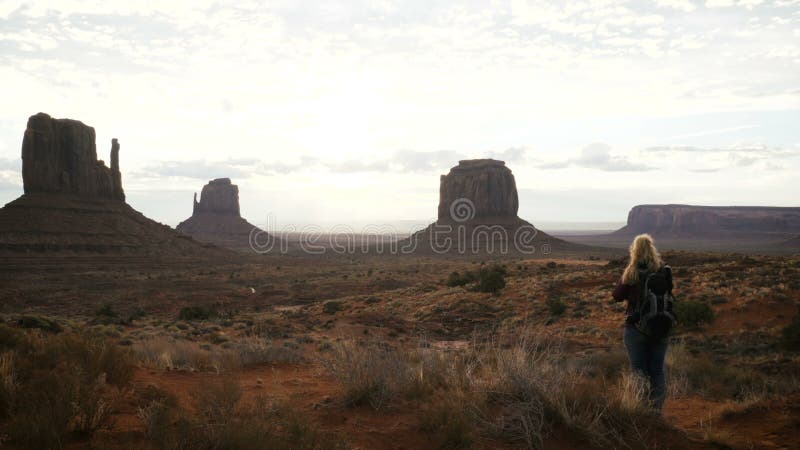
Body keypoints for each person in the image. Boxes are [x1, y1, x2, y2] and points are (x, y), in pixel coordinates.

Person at [612, 233, 672, 413]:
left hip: (636, 328)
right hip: (661, 326)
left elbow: (616, 296)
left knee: (639, 370)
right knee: (657, 370)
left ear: (634, 250)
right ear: (652, 249)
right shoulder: (663, 270)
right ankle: (656, 412)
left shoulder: (632, 271)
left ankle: (641, 409)